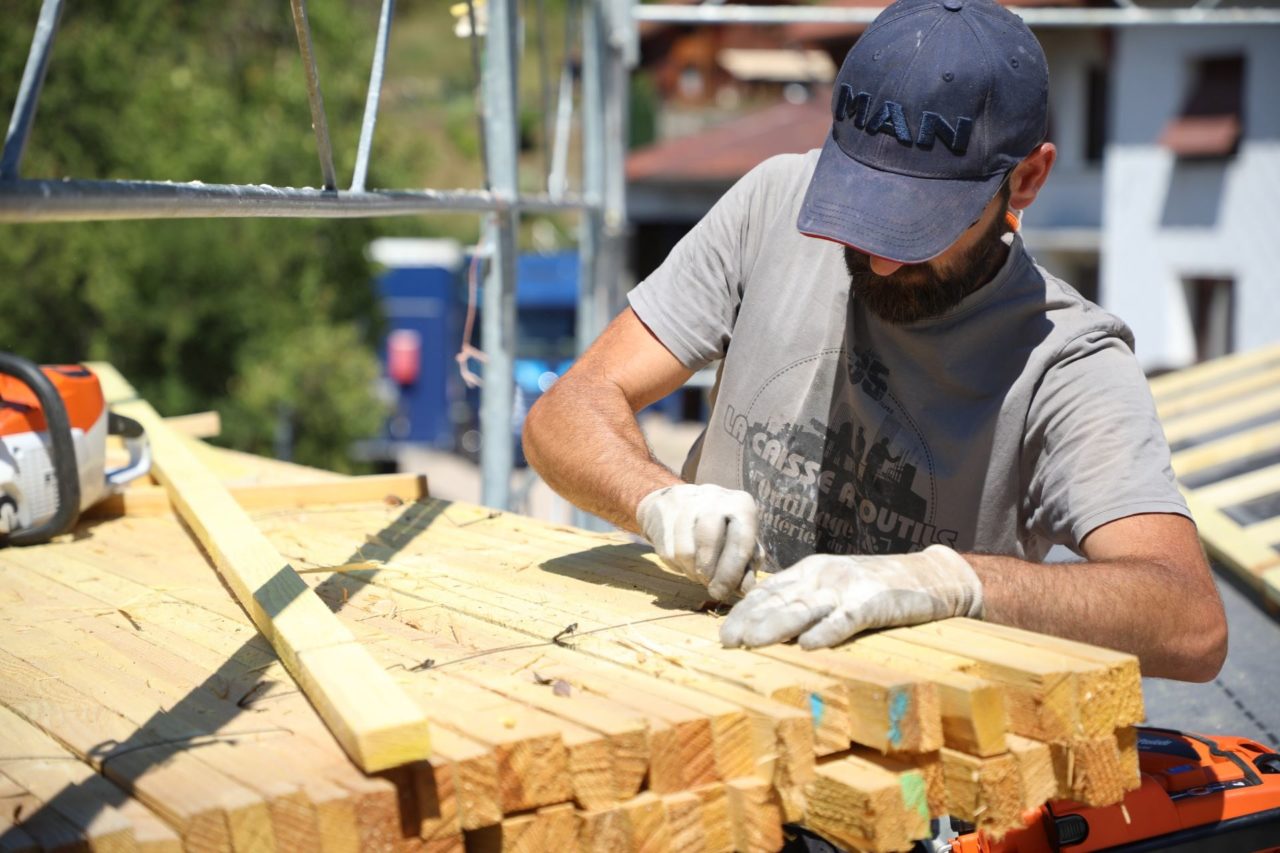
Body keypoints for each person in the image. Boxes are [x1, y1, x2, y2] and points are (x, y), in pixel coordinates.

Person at [522, 0, 1226, 683]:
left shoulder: (1065, 360)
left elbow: (1190, 623)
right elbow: (566, 410)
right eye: (862, 209)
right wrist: (658, 499)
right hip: (704, 683)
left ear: (1028, 178)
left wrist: (950, 582)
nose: (882, 258)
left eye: (921, 224)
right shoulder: (775, 204)